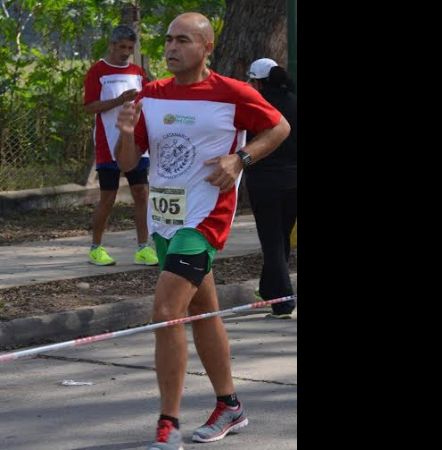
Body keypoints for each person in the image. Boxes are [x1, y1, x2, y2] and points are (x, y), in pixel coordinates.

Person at [114, 12, 290, 450]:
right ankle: (230, 405)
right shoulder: (151, 95)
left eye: (183, 40)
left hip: (205, 217)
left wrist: (240, 160)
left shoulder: (233, 93)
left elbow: (279, 127)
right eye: (168, 40)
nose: (172, 48)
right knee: (203, 311)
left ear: (207, 47)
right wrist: (126, 133)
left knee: (166, 310)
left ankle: (168, 424)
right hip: (165, 219)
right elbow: (127, 163)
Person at [83, 25, 158, 267]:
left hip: (135, 142)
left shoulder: (137, 71)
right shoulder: (98, 71)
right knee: (108, 197)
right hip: (108, 143)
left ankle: (143, 248)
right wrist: (119, 100)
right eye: (122, 47)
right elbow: (90, 106)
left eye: (130, 48)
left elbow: (148, 98)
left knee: (141, 193)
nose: (126, 52)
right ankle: (96, 248)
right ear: (112, 45)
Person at [245, 58, 297, 319]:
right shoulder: (294, 101)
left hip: (264, 183)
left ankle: (283, 302)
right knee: (282, 237)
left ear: (258, 82)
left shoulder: (256, 106)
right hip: (293, 181)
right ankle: (269, 288)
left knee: (272, 241)